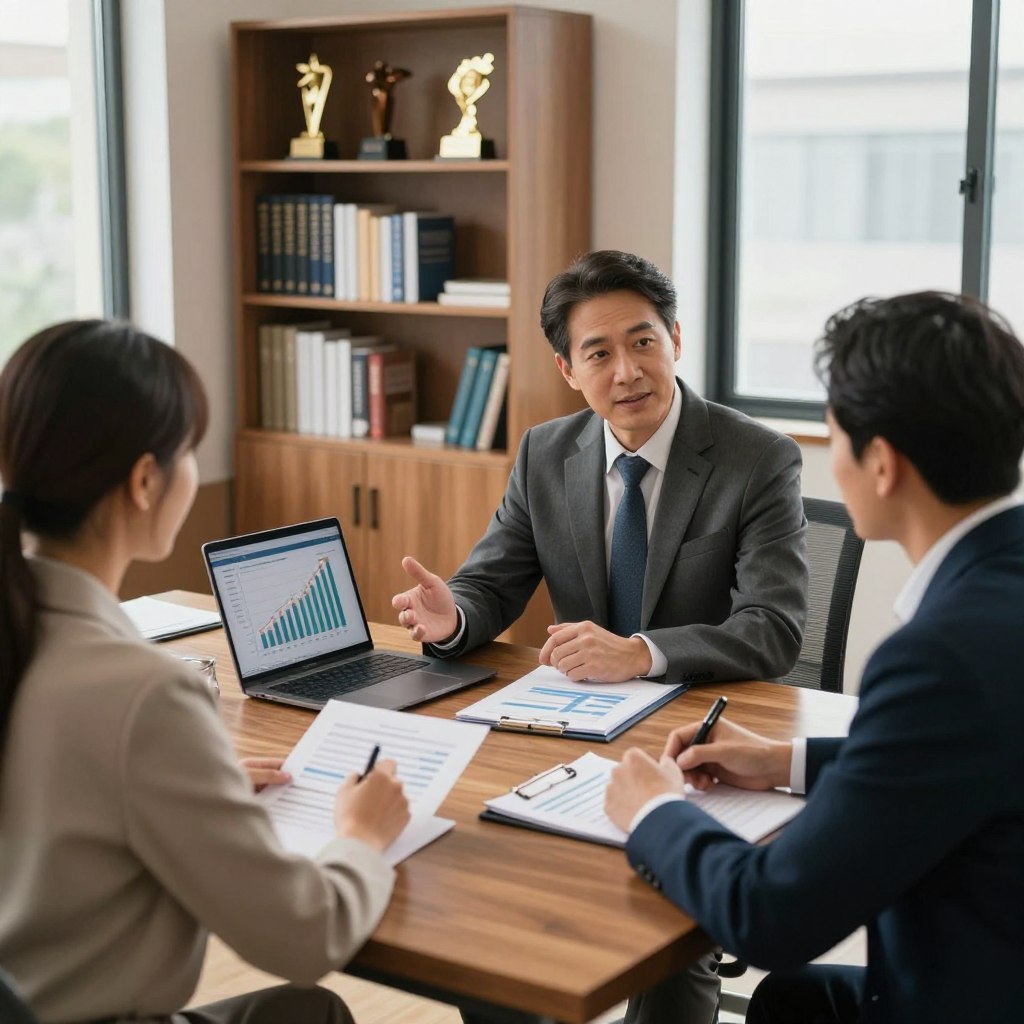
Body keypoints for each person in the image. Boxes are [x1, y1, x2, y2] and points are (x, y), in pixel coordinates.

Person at [392, 250, 809, 1023]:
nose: (627, 371)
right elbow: (491, 583)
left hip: (697, 747)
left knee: (664, 935)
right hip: (570, 737)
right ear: (567, 368)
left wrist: (642, 652)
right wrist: (456, 619)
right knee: (489, 910)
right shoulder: (547, 453)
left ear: (677, 338)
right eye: (599, 353)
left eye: (644, 341)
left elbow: (773, 629)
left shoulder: (756, 458)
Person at [605, 291, 1024, 1023]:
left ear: (883, 465)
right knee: (795, 1004)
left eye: (835, 434)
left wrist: (655, 813)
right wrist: (785, 761)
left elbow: (772, 915)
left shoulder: (937, 656)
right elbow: (963, 753)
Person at [0, 320, 411, 1024]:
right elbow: (307, 936)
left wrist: (196, 784)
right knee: (311, 1009)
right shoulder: (143, 694)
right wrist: (362, 835)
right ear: (144, 480)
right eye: (190, 450)